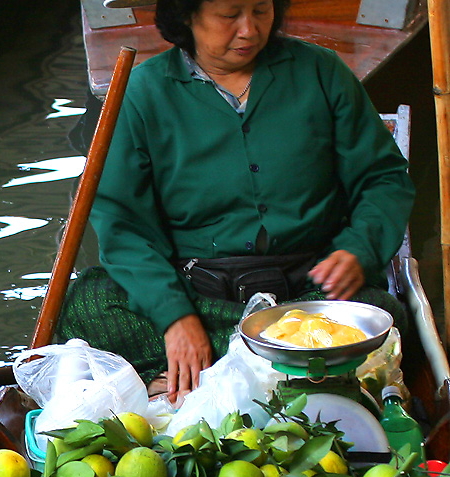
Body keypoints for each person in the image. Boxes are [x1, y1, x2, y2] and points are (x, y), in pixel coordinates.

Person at [59, 0, 414, 402]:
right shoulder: (143, 92)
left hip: (302, 297)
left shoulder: (320, 71)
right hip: (198, 295)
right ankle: (263, 369)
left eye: (261, 11)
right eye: (230, 16)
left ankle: (190, 377)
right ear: (187, 16)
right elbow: (122, 224)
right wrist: (176, 317)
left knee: (381, 312)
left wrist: (359, 249)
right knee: (88, 305)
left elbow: (384, 178)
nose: (249, 30)